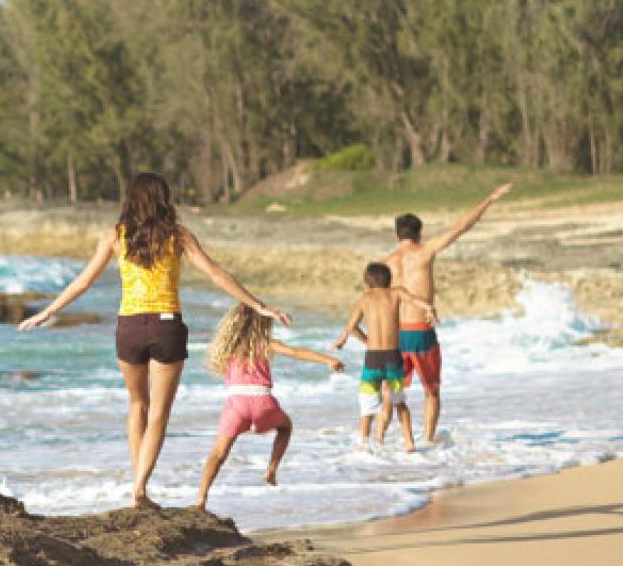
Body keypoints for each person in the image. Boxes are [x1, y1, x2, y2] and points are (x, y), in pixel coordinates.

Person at [19, 173, 291, 507]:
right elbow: (217, 275)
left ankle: (140, 489)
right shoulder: (178, 236)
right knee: (159, 412)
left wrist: (47, 312)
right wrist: (260, 306)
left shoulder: (115, 237)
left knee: (137, 405)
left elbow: (83, 282)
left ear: (130, 200)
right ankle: (139, 488)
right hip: (167, 328)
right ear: (164, 199)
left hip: (129, 327)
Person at [382, 184, 513, 442]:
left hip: (395, 334)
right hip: (421, 331)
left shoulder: (385, 262)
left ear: (397, 235)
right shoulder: (424, 251)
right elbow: (461, 226)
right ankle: (427, 441)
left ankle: (380, 441)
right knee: (431, 391)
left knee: (391, 389)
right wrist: (489, 198)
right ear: (419, 234)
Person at [196, 304, 343, 510]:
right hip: (263, 402)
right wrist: (327, 359)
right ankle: (271, 469)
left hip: (236, 405)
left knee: (218, 454)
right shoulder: (264, 342)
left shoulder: (227, 346)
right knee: (285, 428)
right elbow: (296, 352)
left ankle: (201, 497)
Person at [332, 262, 436, 452]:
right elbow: (414, 300)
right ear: (390, 281)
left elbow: (351, 326)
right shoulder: (396, 293)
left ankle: (363, 446)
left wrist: (363, 340)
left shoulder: (365, 298)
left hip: (372, 359)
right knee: (399, 403)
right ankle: (409, 442)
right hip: (393, 359)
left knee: (367, 409)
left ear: (367, 284)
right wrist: (428, 308)